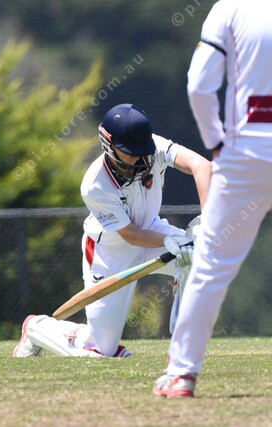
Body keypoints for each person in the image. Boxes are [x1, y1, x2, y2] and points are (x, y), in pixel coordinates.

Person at [13, 103, 211, 359]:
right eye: (130, 153)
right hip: (109, 252)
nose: (138, 159)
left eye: (141, 151)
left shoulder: (152, 147)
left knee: (197, 260)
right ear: (109, 144)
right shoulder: (95, 185)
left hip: (152, 229)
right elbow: (131, 235)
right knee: (102, 351)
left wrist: (208, 222)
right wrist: (171, 240)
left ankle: (185, 341)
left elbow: (202, 166)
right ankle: (37, 328)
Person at [153, 0, 272, 398]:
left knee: (210, 268)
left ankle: (182, 374)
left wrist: (217, 143)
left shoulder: (229, 8)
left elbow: (199, 85)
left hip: (246, 153)